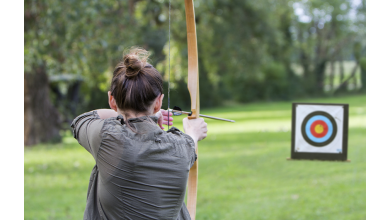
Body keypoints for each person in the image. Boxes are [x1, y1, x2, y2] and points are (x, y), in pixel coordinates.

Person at [71, 47, 207, 220]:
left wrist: (135, 115)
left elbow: (84, 119)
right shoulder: (182, 146)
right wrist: (193, 132)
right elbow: (189, 143)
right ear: (158, 102)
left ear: (112, 100)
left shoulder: (106, 137)